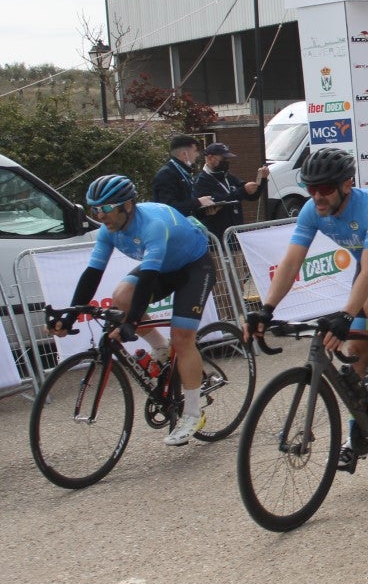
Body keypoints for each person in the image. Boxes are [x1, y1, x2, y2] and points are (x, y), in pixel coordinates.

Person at [243, 148, 368, 474]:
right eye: (311, 188)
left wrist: (345, 315)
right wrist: (266, 309)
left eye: (325, 188)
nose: (316, 196)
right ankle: (358, 434)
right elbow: (291, 262)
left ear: (346, 184)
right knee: (356, 357)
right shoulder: (312, 211)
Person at [49, 174, 215, 446]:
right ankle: (161, 348)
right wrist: (69, 317)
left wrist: (132, 323)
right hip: (164, 268)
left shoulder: (152, 225)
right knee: (121, 297)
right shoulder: (108, 231)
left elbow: (148, 279)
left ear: (127, 206)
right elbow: (92, 274)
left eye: (105, 208)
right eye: (94, 209)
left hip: (194, 268)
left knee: (182, 337)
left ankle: (193, 413)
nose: (99, 215)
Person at [194, 143, 268, 239]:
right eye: (223, 159)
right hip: (217, 236)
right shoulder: (201, 181)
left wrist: (262, 180)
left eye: (227, 159)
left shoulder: (228, 176)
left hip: (236, 234)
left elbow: (252, 196)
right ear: (210, 158)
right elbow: (213, 200)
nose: (226, 162)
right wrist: (242, 191)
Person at [151, 135, 214, 217]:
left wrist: (204, 211)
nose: (197, 155)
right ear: (184, 154)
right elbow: (168, 208)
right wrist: (198, 202)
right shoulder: (166, 175)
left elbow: (186, 204)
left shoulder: (183, 172)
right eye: (195, 151)